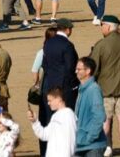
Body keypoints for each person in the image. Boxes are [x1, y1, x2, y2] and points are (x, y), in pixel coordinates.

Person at [40, 18, 79, 156]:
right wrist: (73, 85)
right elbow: (70, 68)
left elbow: (44, 65)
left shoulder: (48, 44)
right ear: (67, 29)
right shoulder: (67, 45)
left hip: (50, 85)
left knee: (50, 120)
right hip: (65, 88)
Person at [90, 15, 120, 155]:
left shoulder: (101, 45)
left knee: (106, 122)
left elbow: (93, 68)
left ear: (108, 27)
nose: (101, 28)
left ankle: (107, 147)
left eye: (102, 25)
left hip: (105, 90)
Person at [29, 87, 76, 157]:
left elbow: (70, 141)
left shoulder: (68, 114)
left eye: (50, 100)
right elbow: (44, 135)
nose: (48, 103)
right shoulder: (55, 116)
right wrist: (35, 121)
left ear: (58, 99)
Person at [75, 57, 108, 156]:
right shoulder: (82, 89)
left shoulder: (93, 89)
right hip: (79, 144)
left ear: (88, 71)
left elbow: (99, 116)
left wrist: (90, 138)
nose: (76, 71)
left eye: (79, 69)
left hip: (93, 146)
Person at [31, 27, 58, 93]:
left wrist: (36, 85)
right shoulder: (65, 49)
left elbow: (35, 70)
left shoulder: (42, 52)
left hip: (47, 83)